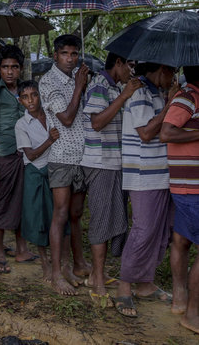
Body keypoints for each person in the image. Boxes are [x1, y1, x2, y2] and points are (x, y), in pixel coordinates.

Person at [115, 61, 178, 317]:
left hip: (160, 173)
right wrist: (170, 106)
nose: (173, 77)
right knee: (143, 230)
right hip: (143, 174)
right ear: (161, 69)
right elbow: (145, 132)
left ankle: (145, 283)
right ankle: (124, 287)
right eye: (171, 71)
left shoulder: (157, 92)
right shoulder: (140, 91)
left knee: (159, 231)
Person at [80, 52, 142, 304]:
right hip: (100, 162)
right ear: (118, 63)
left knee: (114, 219)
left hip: (115, 162)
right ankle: (96, 277)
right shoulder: (99, 85)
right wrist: (125, 95)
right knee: (101, 220)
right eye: (130, 65)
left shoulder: (114, 87)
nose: (132, 71)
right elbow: (97, 122)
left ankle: (100, 273)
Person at [38, 34, 90, 295]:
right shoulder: (48, 81)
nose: (71, 59)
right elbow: (67, 118)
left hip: (83, 156)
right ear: (55, 55)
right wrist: (79, 86)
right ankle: (57, 273)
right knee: (60, 214)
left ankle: (76, 264)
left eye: (74, 53)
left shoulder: (76, 78)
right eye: (65, 54)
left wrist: (81, 84)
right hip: (61, 157)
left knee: (76, 213)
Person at [0, 45, 37, 274]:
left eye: (14, 67)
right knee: (2, 203)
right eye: (5, 67)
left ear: (21, 69)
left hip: (27, 155)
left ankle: (22, 248)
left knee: (23, 203)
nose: (10, 71)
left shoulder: (28, 92)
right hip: (4, 155)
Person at [161, 65, 199, 333]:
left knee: (182, 240)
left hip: (190, 185)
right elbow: (167, 132)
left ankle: (180, 299)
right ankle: (193, 314)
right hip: (191, 187)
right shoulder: (188, 96)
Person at [15, 80, 59, 281]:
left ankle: (60, 262)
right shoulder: (21, 124)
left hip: (56, 170)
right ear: (20, 101)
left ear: (40, 96)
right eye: (25, 97)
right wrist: (50, 140)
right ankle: (45, 263)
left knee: (57, 217)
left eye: (34, 95)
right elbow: (31, 155)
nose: (30, 100)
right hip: (35, 172)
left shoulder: (51, 115)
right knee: (39, 219)